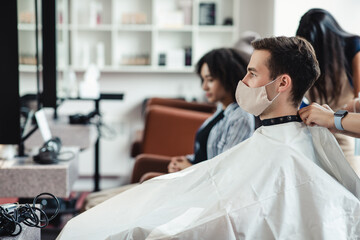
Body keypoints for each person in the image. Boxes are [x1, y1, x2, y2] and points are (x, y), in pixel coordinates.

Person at [58, 36, 360, 239]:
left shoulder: (289, 150)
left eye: (252, 74)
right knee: (91, 225)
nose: (243, 82)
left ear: (282, 83)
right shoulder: (274, 139)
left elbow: (241, 215)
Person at [84, 48, 255, 210]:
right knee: (92, 200)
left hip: (199, 192)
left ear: (228, 78)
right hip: (190, 181)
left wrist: (190, 168)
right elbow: (207, 156)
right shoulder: (221, 110)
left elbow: (226, 173)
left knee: (95, 205)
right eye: (203, 80)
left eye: (210, 80)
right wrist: (184, 161)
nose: (204, 87)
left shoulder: (240, 118)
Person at [296, 8, 360, 171]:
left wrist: (335, 116)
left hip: (343, 134)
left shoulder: (354, 48)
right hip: (318, 131)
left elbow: (358, 104)